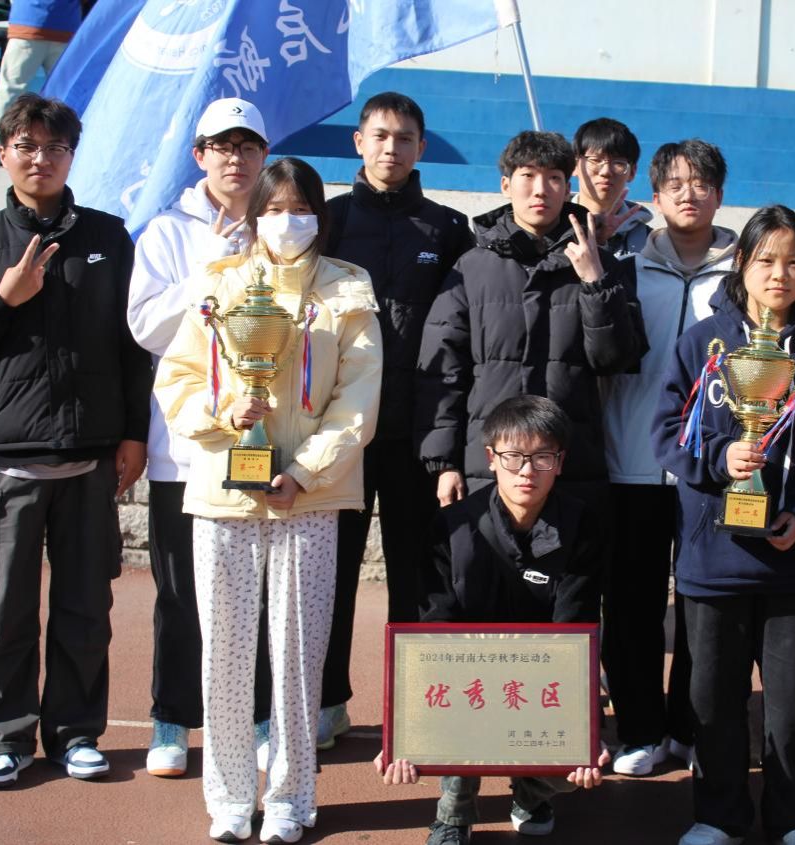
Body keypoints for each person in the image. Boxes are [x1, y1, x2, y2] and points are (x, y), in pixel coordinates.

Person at [154, 157, 383, 844]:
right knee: (223, 652)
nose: (288, 222)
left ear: (320, 216)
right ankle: (228, 797)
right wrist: (223, 413)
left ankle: (290, 795)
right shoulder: (218, 282)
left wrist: (305, 472)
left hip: (308, 498)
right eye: (275, 209)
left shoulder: (347, 287)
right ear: (255, 216)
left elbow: (357, 398)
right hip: (223, 490)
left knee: (298, 654)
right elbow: (178, 378)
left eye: (301, 209)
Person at [0, 93, 150, 788]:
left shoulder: (109, 238)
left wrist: (135, 434)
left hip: (88, 459)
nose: (40, 159)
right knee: (4, 613)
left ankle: (76, 733)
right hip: (7, 463)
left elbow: (132, 346)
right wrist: (3, 297)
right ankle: (3, 738)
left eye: (55, 148)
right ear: (3, 152)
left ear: (71, 156)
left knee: (86, 611)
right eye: (26, 145)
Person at [653, 206, 795, 845]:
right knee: (712, 699)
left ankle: (794, 816)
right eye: (767, 259)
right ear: (743, 262)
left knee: (794, 702)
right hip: (712, 558)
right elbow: (667, 432)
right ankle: (718, 815)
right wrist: (722, 458)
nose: (781, 274)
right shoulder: (704, 343)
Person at [374, 395, 612, 845]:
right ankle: (453, 812)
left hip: (541, 680)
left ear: (560, 462)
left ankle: (532, 791)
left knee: (579, 766)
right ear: (491, 458)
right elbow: (433, 630)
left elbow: (575, 627)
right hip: (469, 680)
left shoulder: (582, 525)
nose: (527, 471)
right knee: (455, 704)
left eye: (542, 457)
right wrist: (405, 732)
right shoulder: (451, 527)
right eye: (513, 456)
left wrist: (585, 732)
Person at [318, 91, 474, 750]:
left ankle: (415, 705)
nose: (392, 147)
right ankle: (326, 701)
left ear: (421, 147)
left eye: (405, 137)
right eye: (380, 135)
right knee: (331, 577)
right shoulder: (326, 220)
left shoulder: (447, 229)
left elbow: (465, 334)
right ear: (358, 142)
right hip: (341, 435)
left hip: (418, 436)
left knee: (420, 579)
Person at [127, 97, 274, 778]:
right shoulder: (167, 232)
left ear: (263, 155)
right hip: (184, 451)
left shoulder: (280, 227)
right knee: (180, 592)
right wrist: (208, 273)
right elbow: (146, 329)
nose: (234, 159)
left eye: (247, 146)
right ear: (199, 155)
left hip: (261, 442)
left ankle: (259, 716)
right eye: (221, 146)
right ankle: (171, 718)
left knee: (261, 591)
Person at [415, 130, 646, 511]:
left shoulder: (601, 264)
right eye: (528, 176)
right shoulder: (471, 268)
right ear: (506, 184)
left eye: (554, 178)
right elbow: (442, 373)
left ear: (568, 188)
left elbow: (615, 360)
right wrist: (445, 463)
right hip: (487, 464)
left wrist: (595, 283)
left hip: (571, 464)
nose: (541, 189)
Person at [601, 139, 737, 777]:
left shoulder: (743, 276)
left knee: (705, 610)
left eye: (701, 183)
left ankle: (689, 727)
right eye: (675, 184)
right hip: (630, 464)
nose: (689, 194)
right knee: (631, 607)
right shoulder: (623, 268)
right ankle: (639, 730)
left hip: (710, 471)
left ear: (720, 194)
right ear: (654, 196)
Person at [0, 0, 81, 166]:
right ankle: (71, 150)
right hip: (66, 27)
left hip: (28, 23)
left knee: (10, 90)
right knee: (67, 93)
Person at [571, 117, 653, 258]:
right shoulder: (552, 225)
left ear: (632, 172)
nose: (606, 172)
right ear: (575, 166)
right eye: (595, 160)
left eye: (618, 163)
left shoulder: (649, 244)